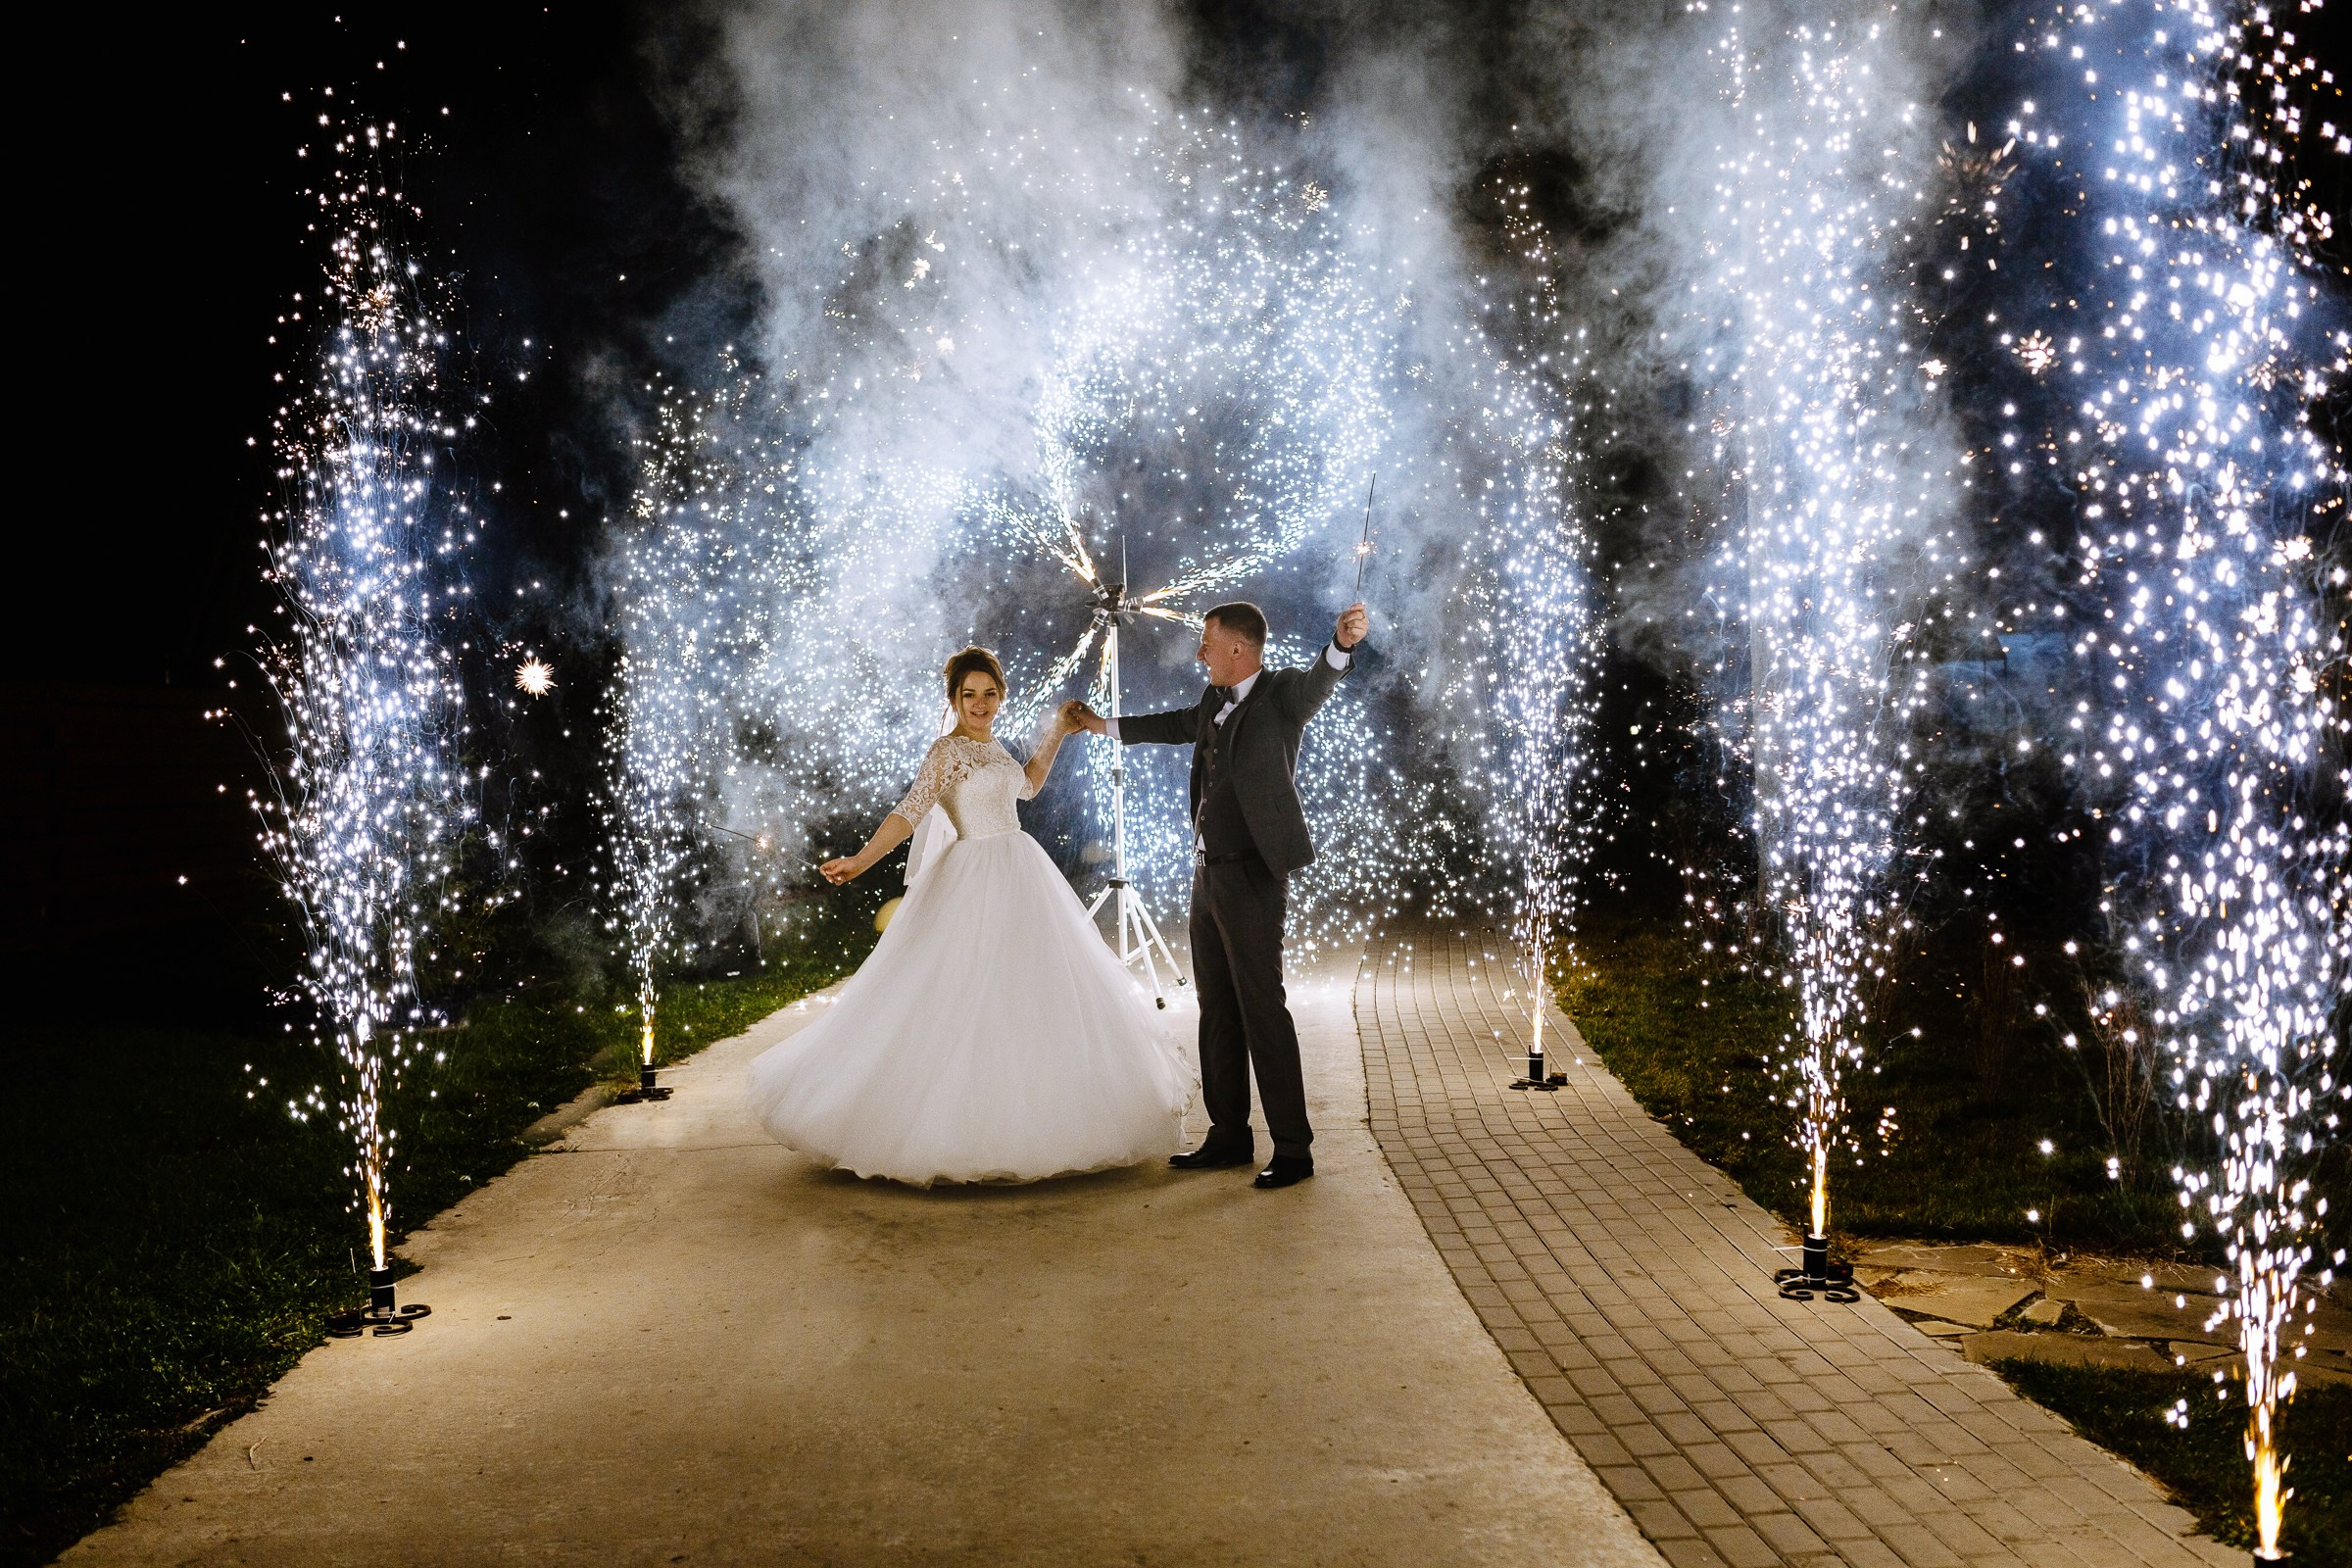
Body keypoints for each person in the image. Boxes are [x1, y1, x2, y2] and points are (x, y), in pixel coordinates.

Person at [745, 647, 1191, 1186]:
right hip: (973, 874)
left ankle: (1035, 1116)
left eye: (989, 694)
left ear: (1000, 697)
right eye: (969, 695)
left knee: (1032, 991)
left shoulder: (995, 748)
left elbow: (1027, 786)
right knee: (963, 991)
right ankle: (958, 1127)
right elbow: (910, 811)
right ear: (954, 700)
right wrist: (861, 860)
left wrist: (1057, 732)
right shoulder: (947, 752)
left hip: (1020, 868)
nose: (980, 704)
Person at [1070, 600, 1368, 1190]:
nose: (1200, 652)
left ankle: (1294, 1150)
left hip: (1254, 876)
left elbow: (1320, 682)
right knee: (1216, 1009)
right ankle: (1229, 1135)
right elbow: (1174, 725)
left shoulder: (1282, 695)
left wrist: (1341, 643)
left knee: (1263, 1009)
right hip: (1207, 877)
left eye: (1208, 642)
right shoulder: (1212, 699)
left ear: (1238, 647)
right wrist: (1102, 726)